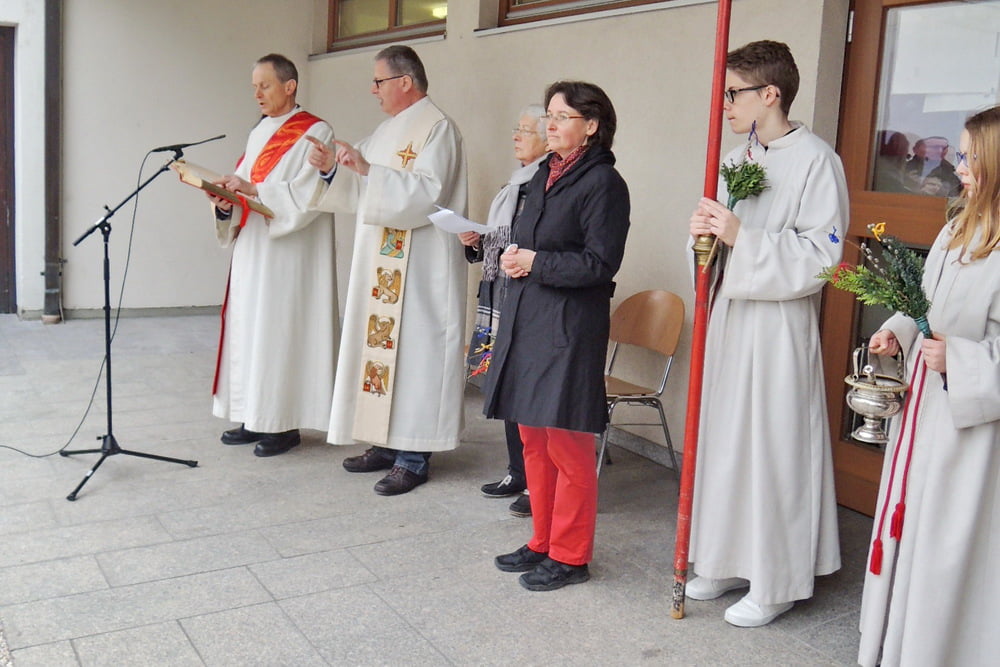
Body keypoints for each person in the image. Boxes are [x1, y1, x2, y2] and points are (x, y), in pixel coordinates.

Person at [685, 40, 844, 626]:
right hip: (732, 317)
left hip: (778, 325)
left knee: (773, 447)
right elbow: (713, 245)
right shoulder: (736, 158)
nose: (724, 104)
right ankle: (725, 557)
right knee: (727, 442)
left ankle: (777, 578)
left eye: (733, 93)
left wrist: (741, 238)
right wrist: (702, 239)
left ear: (770, 94)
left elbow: (823, 255)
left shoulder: (817, 161)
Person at [858, 105, 1000, 667]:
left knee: (948, 541)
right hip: (927, 410)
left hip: (974, 435)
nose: (958, 166)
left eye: (970, 156)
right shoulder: (957, 224)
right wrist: (899, 330)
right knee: (913, 524)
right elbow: (928, 301)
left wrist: (961, 360)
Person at [484, 81, 630, 592]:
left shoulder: (604, 183)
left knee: (567, 445)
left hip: (569, 328)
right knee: (533, 439)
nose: (551, 124)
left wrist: (536, 262)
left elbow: (599, 263)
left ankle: (570, 555)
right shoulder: (543, 174)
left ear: (591, 125)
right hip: (529, 321)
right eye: (549, 114)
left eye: (562, 116)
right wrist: (513, 256)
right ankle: (543, 539)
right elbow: (532, 244)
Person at [307, 45, 468, 496]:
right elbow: (357, 184)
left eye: (378, 81)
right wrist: (331, 169)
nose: (372, 89)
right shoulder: (386, 131)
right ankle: (384, 441)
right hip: (382, 265)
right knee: (379, 353)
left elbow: (429, 194)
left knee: (416, 356)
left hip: (420, 268)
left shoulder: (437, 129)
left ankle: (413, 457)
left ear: (405, 82)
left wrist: (367, 170)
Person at [208, 53, 338, 458]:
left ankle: (282, 424)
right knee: (250, 331)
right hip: (253, 247)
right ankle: (254, 415)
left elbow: (310, 193)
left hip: (288, 254)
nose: (257, 94)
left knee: (279, 332)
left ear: (290, 85)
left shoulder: (315, 130)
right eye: (254, 87)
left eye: (264, 85)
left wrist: (254, 190)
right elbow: (247, 183)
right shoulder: (260, 130)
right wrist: (226, 200)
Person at [458, 104, 549, 519]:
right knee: (507, 388)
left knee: (529, 395)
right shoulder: (514, 184)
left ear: (548, 139)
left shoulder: (546, 185)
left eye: (526, 130)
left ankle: (536, 483)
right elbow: (500, 245)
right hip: (500, 296)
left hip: (528, 301)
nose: (516, 136)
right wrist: (476, 242)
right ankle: (517, 471)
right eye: (516, 128)